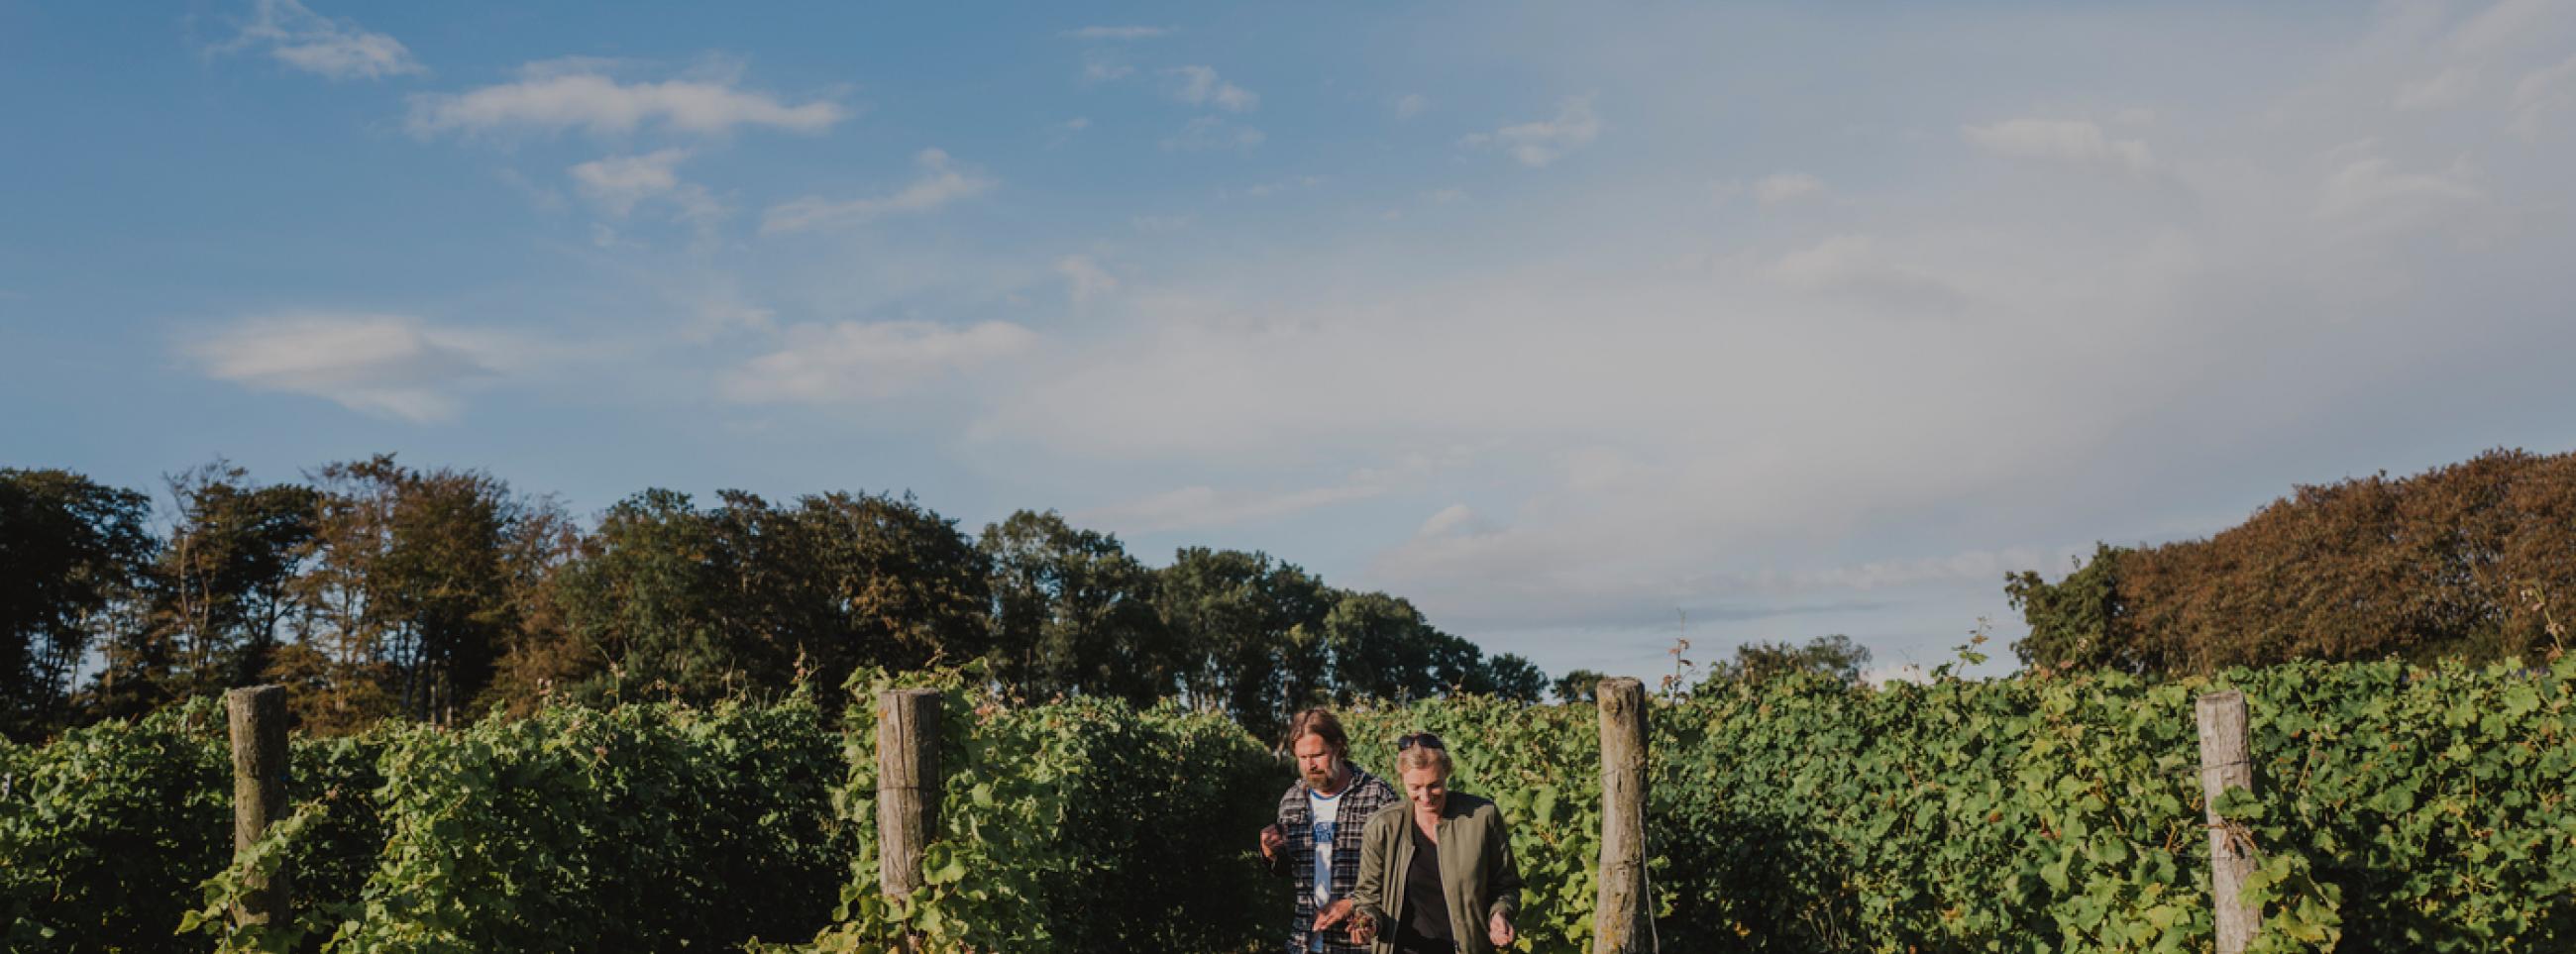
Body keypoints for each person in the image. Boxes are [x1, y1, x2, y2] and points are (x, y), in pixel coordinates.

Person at [1333, 732, 1522, 953]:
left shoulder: (1481, 818)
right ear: (1401, 778)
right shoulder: (1383, 826)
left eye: (1434, 785)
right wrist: (1368, 923)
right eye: (1415, 787)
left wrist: (1500, 914)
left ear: (1447, 773)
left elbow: (1506, 885)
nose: (1425, 796)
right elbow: (1368, 897)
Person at [1262, 707, 1401, 954]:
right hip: (1304, 943)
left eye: (1317, 755)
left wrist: (1351, 903)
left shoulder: (1377, 796)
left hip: (1360, 945)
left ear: (1337, 747)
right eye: (1302, 758)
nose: (1310, 765)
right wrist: (1270, 853)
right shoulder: (1292, 800)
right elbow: (1288, 869)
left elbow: (1399, 869)